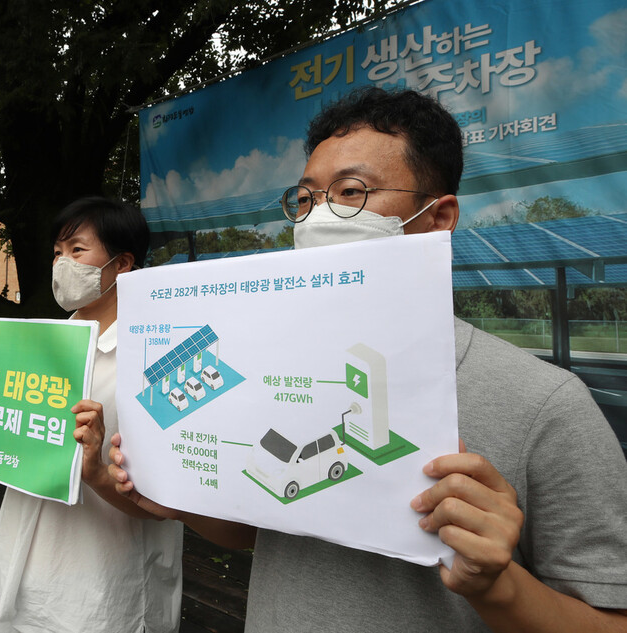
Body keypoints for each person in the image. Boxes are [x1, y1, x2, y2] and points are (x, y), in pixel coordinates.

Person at [109, 87, 627, 632]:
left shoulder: (545, 406)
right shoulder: (273, 373)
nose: (317, 218)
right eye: (306, 200)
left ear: (438, 216)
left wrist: (497, 585)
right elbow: (258, 534)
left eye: (352, 191)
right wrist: (179, 494)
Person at [0, 197, 184, 632]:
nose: (62, 263)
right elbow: (3, 443)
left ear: (122, 263)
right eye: (57, 253)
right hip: (26, 565)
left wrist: (99, 471)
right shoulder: (39, 346)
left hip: (105, 583)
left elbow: (171, 502)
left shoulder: (163, 356)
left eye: (77, 250)